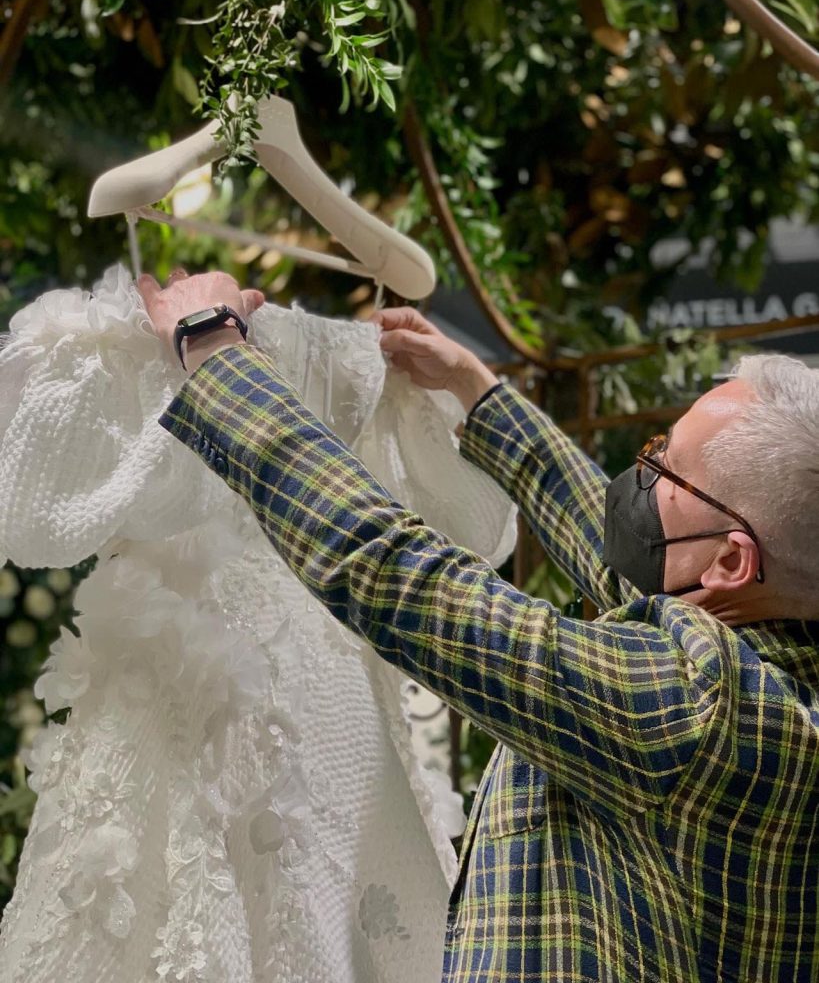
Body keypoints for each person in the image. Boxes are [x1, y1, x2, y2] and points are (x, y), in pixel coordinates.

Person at [141, 268, 819, 983]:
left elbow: (401, 575)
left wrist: (215, 353)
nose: (641, 473)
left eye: (666, 470)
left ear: (730, 561)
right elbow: (613, 548)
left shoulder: (693, 705)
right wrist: (477, 391)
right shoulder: (765, 672)